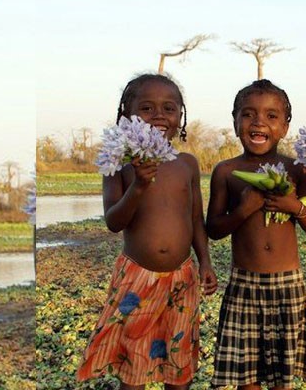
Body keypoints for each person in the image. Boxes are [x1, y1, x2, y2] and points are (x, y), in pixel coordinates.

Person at [76, 73, 218, 390]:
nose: (159, 116)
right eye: (147, 108)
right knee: (134, 367)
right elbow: (114, 221)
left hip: (182, 278)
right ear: (126, 115)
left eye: (169, 108)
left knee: (178, 367)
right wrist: (139, 185)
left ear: (181, 117)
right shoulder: (117, 162)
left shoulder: (187, 164)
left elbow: (195, 218)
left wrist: (205, 262)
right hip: (137, 279)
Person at [206, 79, 306, 389]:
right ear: (235, 122)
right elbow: (214, 228)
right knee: (247, 378)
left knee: (281, 379)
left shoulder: (298, 170)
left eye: (271, 116)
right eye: (248, 114)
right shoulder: (226, 171)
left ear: (285, 127)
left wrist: (293, 205)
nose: (259, 122)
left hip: (287, 286)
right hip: (244, 285)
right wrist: (244, 209)